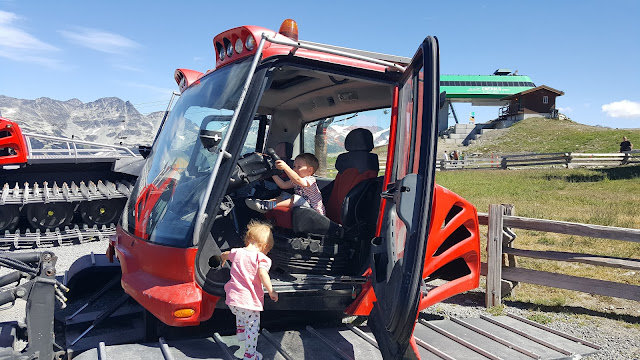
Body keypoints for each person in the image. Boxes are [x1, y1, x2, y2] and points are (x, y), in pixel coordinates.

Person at [221, 220, 278, 360]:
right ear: (265, 246)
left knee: (240, 314)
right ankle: (250, 355)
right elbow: (263, 274)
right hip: (249, 302)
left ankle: (240, 332)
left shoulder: (237, 252)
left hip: (232, 300)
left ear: (247, 240)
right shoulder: (262, 259)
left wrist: (222, 259)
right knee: (252, 327)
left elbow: (226, 254)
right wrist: (271, 291)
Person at [245, 153, 325, 215]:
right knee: (285, 195)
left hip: (315, 213)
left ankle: (268, 206)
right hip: (304, 208)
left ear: (310, 171)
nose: (294, 169)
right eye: (294, 166)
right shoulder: (295, 181)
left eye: (299, 167)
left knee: (297, 198)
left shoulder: (310, 179)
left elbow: (298, 180)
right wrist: (272, 172)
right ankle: (264, 203)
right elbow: (282, 185)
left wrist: (286, 167)